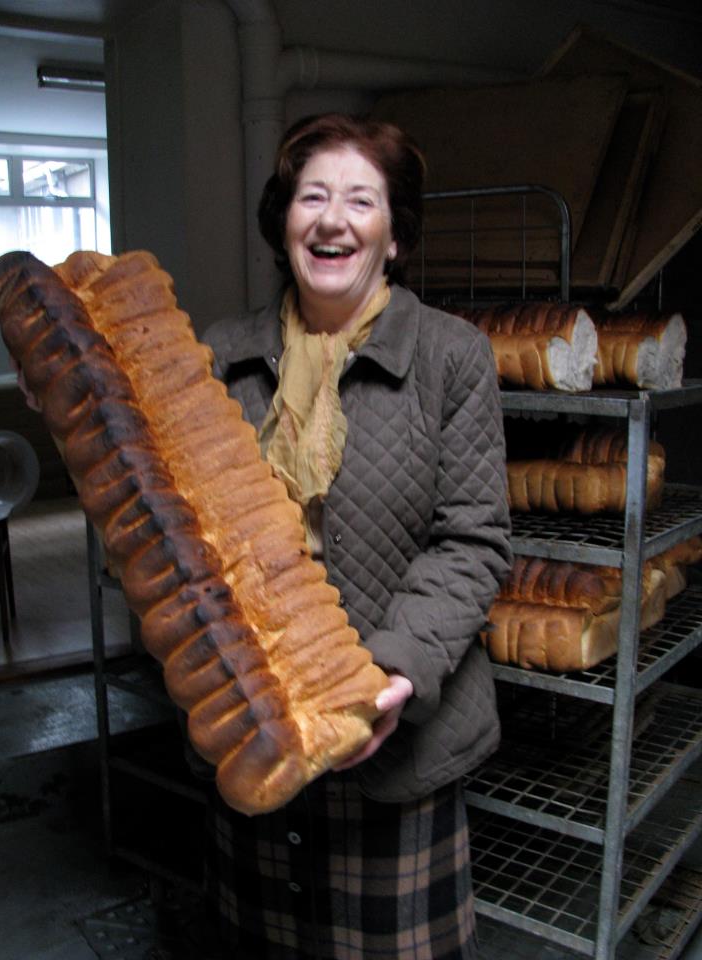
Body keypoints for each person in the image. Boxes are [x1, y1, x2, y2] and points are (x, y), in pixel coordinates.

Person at [202, 112, 513, 960]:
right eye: (312, 196)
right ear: (284, 221)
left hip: (396, 740)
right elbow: (175, 525)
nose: (332, 219)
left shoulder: (453, 357)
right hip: (260, 724)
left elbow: (474, 540)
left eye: (360, 200)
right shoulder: (219, 358)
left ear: (393, 237)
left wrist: (392, 672)